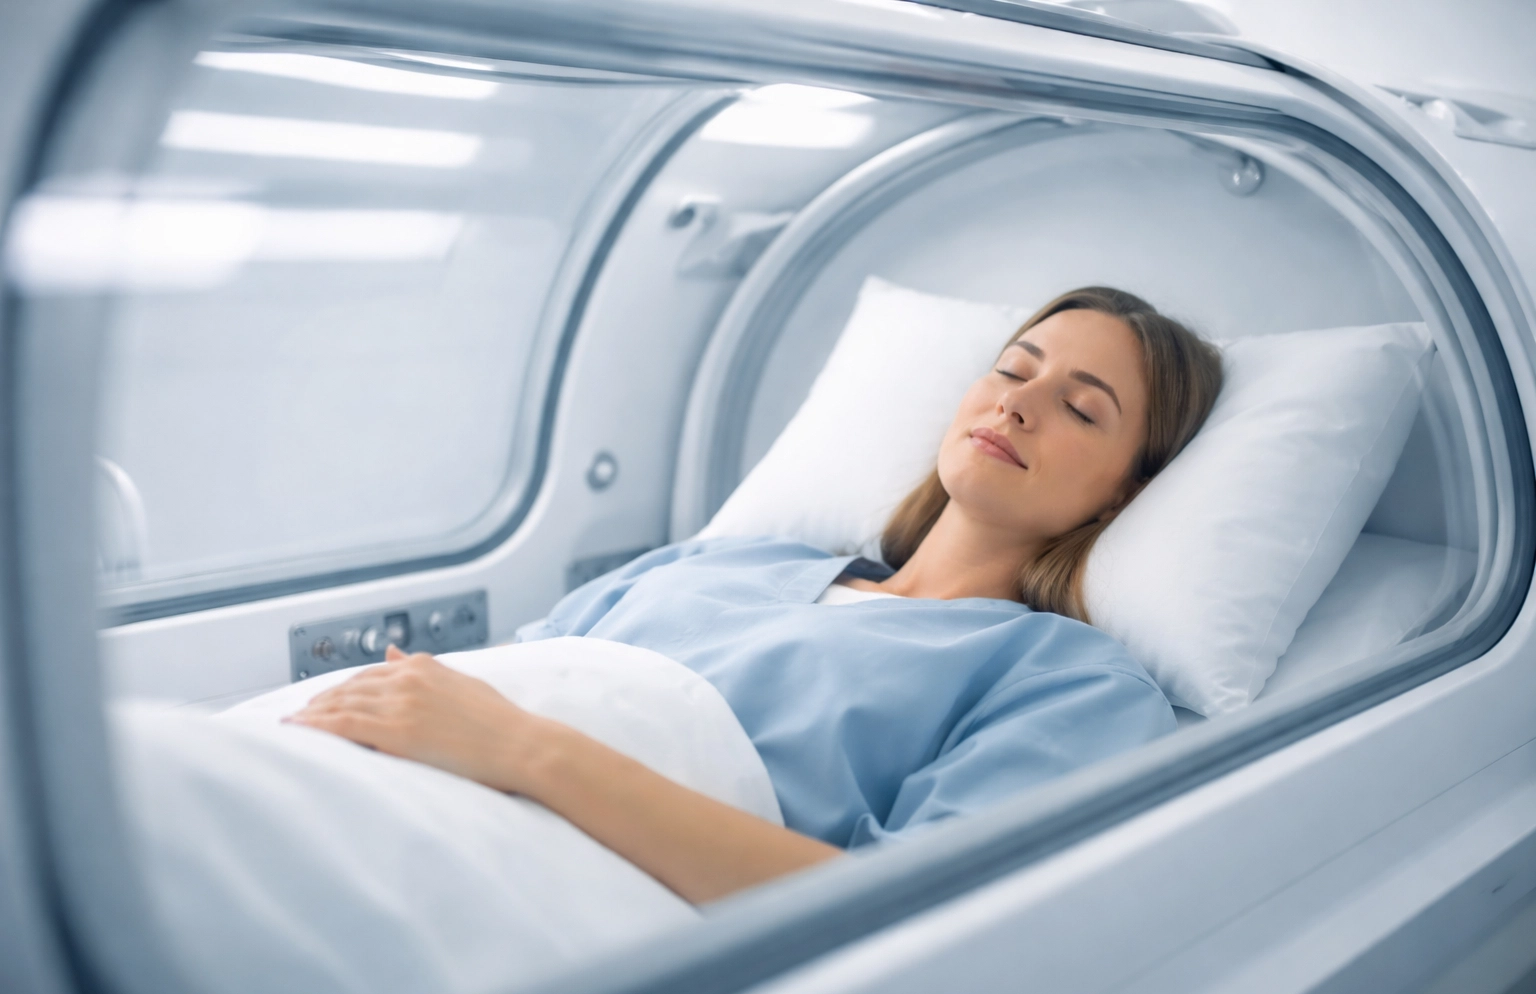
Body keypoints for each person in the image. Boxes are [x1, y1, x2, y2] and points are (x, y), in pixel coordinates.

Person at [285, 286, 1224, 905]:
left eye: (1080, 407)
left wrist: (525, 750)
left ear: (1125, 491)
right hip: (361, 774)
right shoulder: (726, 560)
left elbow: (910, 920)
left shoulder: (1069, 681)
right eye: (1015, 370)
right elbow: (480, 685)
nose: (1017, 404)